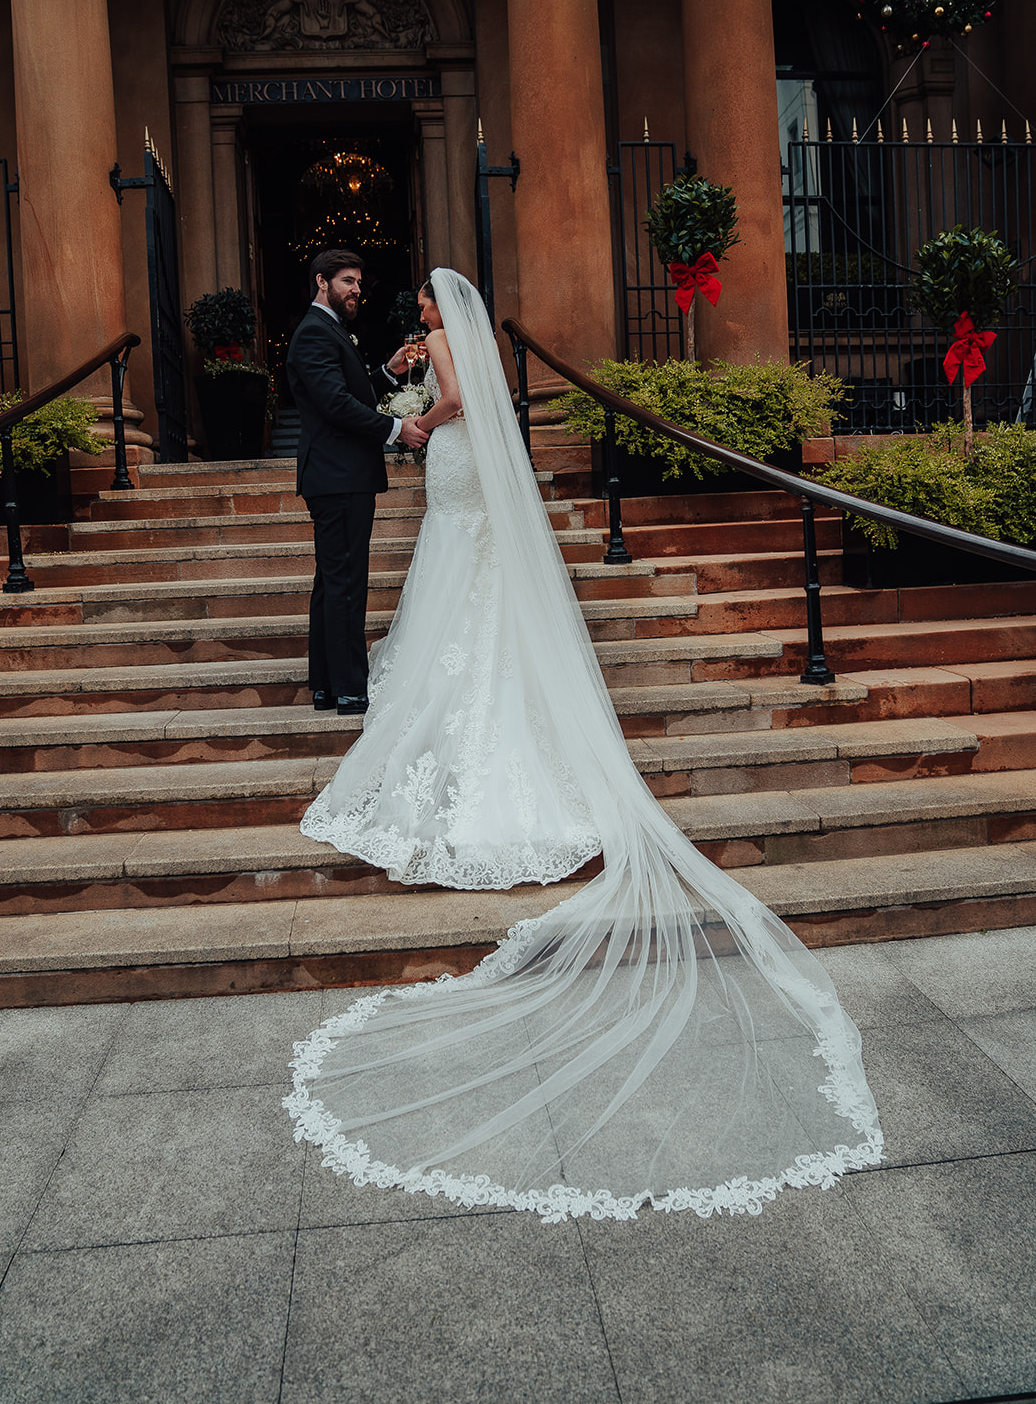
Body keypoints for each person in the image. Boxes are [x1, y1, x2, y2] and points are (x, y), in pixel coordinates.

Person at [286, 269, 883, 1223]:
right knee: (473, 599)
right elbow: (467, 391)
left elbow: (449, 399)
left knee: (453, 594)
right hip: (472, 482)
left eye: (428, 303)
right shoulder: (467, 341)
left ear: (443, 307)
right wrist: (415, 402)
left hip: (455, 475)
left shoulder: (446, 348)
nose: (421, 313)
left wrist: (421, 421)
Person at [287, 249, 428, 715]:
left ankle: (327, 685)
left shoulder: (327, 330)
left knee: (333, 582)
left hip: (339, 474)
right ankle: (350, 690)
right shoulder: (313, 332)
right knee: (345, 582)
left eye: (359, 283)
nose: (356, 290)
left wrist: (388, 372)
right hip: (337, 475)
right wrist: (395, 429)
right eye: (348, 281)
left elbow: (350, 390)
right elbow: (336, 405)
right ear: (322, 282)